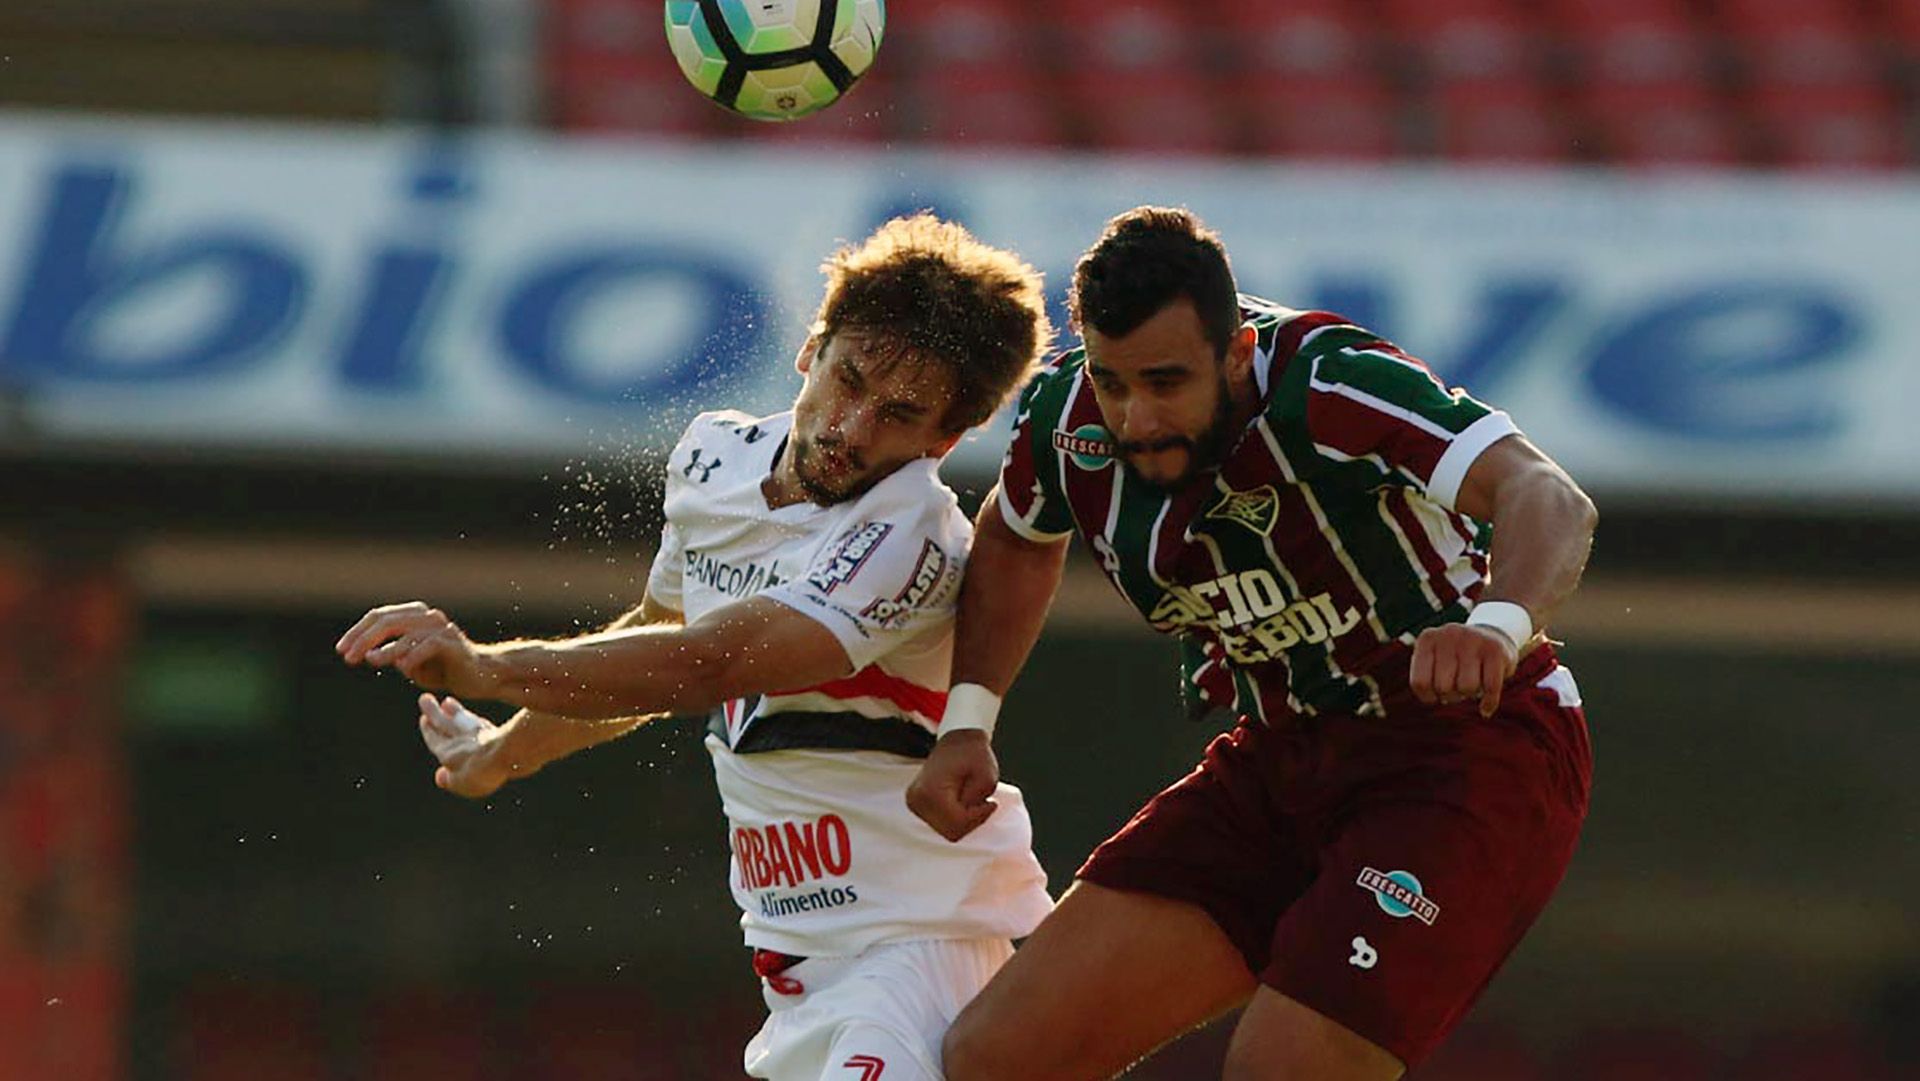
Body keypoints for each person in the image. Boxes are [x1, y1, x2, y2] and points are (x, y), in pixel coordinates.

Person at [334, 214, 1056, 1081]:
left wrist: (488, 666)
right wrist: (502, 754)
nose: (851, 428)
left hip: (919, 952)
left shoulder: (910, 534)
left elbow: (710, 664)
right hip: (801, 975)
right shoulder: (713, 459)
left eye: (898, 414)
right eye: (848, 378)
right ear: (810, 350)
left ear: (945, 439)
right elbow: (653, 641)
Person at [906, 206, 1597, 1081]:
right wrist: (967, 719)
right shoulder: (1068, 419)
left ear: (1236, 353)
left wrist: (1496, 626)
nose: (1137, 417)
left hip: (1463, 753)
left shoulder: (1330, 383)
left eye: (1166, 381)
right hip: (1280, 758)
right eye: (1115, 383)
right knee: (996, 1056)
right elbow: (1013, 534)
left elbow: (1549, 496)